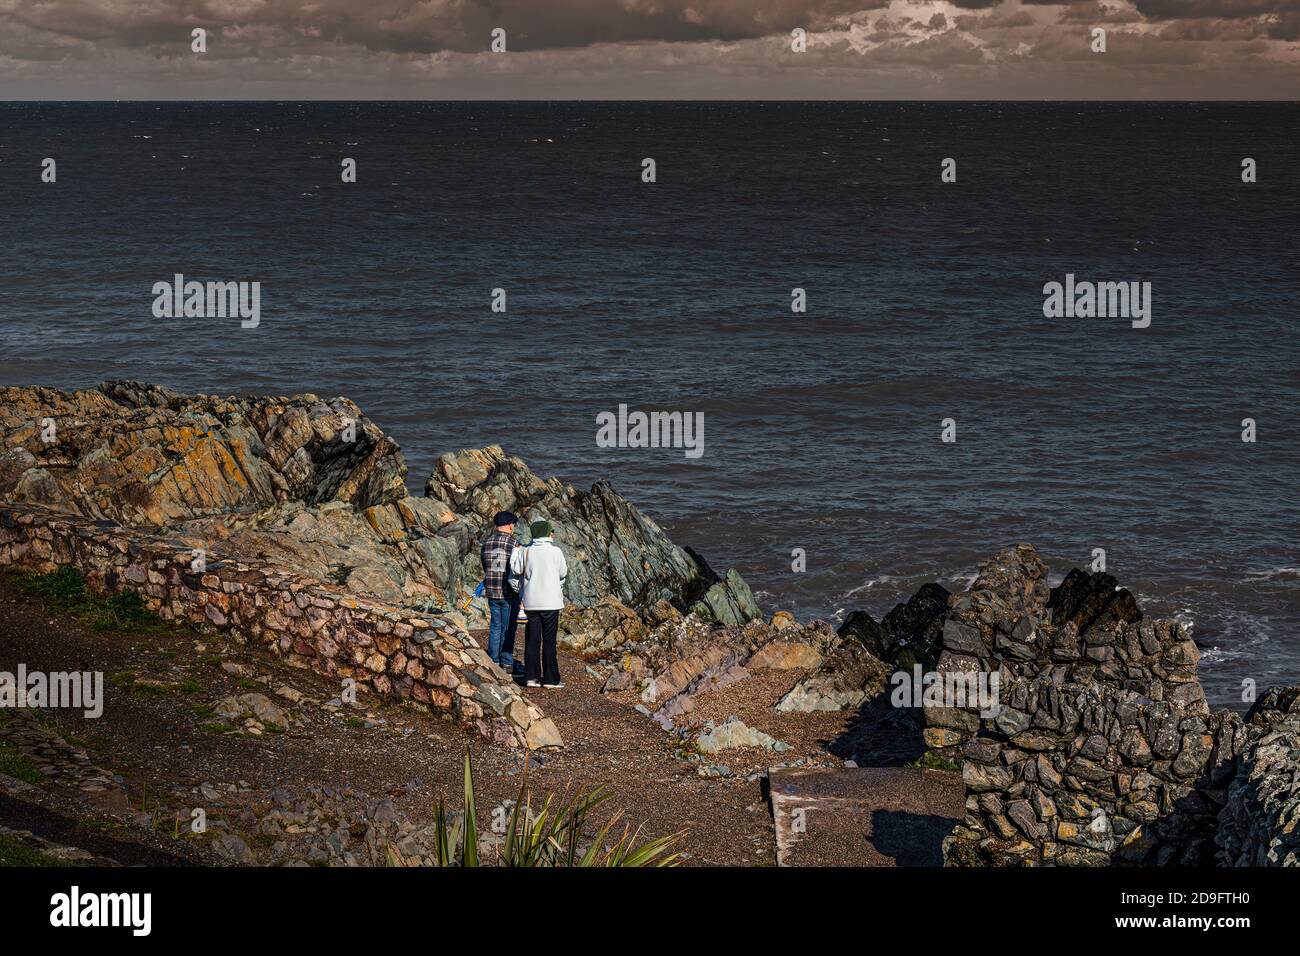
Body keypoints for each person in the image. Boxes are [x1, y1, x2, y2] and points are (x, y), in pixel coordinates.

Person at [509, 519, 567, 688]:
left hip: (531, 602)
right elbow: (563, 572)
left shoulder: (526, 551)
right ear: (548, 533)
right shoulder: (556, 552)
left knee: (532, 640)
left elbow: (515, 570)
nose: (553, 534)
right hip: (551, 602)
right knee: (549, 641)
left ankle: (531, 677)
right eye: (551, 531)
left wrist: (515, 552)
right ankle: (550, 679)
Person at [480, 510, 522, 674]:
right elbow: (518, 568)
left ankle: (493, 660)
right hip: (509, 592)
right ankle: (506, 662)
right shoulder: (513, 543)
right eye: (514, 524)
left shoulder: (487, 543)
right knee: (508, 628)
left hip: (491, 590)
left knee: (495, 626)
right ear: (510, 525)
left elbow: (485, 565)